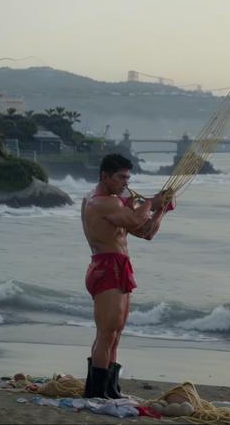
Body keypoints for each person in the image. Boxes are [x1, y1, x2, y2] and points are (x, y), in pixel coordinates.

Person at [81, 153, 173, 398]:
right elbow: (135, 218)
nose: (126, 183)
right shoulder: (100, 201)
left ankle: (110, 390)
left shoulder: (115, 202)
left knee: (115, 333)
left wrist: (161, 210)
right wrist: (152, 202)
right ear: (104, 176)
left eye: (128, 177)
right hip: (105, 266)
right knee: (106, 333)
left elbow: (145, 232)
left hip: (118, 266)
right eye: (121, 177)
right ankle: (96, 393)